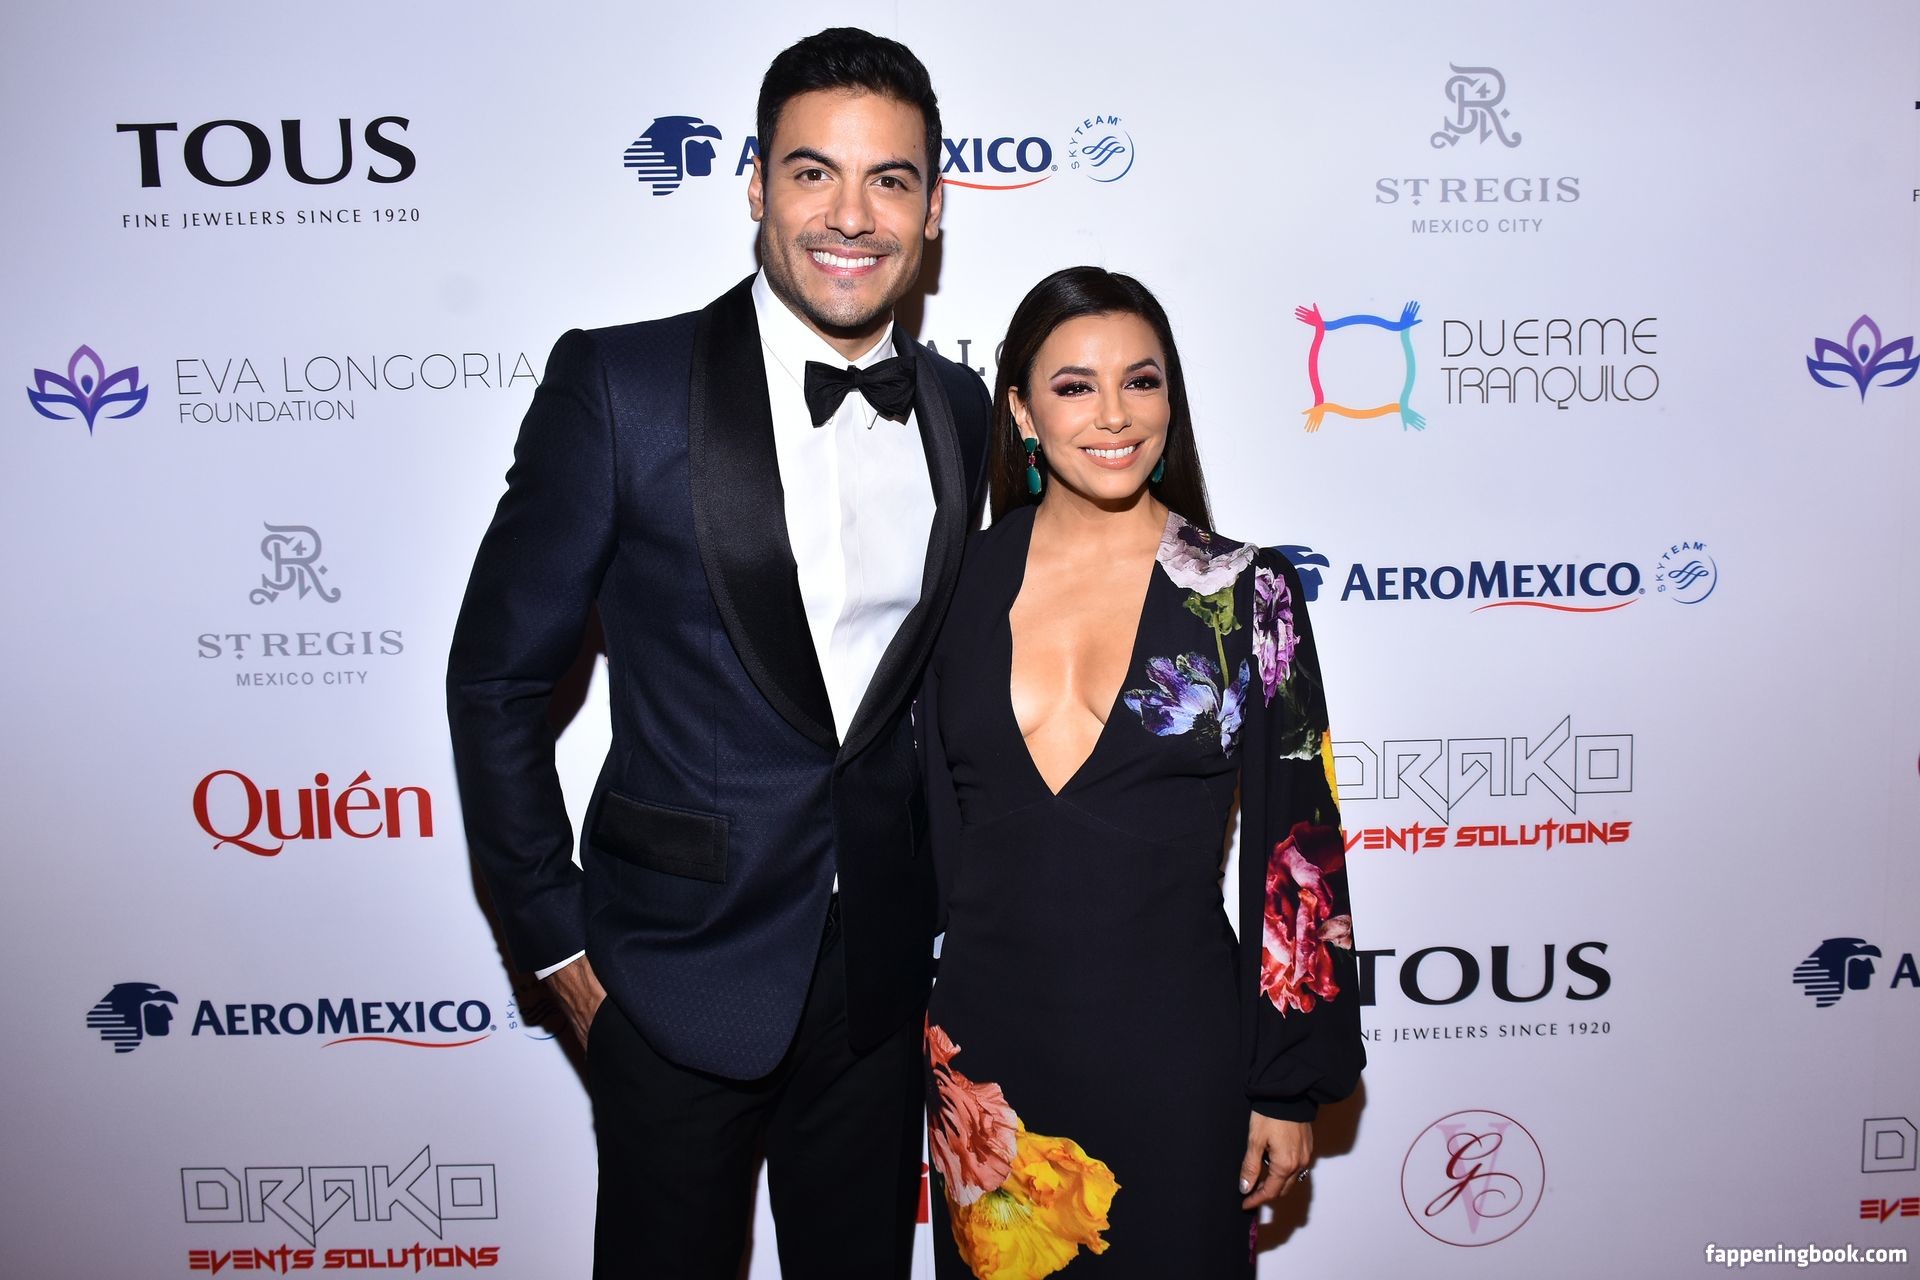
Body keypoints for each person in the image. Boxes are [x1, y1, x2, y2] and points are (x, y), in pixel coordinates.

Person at [446, 28, 990, 1280]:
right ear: (755, 187)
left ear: (934, 208)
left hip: (880, 982)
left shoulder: (958, 407)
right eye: (812, 173)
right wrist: (557, 948)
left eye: (890, 180)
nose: (850, 216)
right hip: (674, 973)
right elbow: (498, 679)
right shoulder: (622, 385)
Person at [918, 268, 1364, 1278]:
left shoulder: (1245, 593)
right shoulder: (951, 586)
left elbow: (1298, 847)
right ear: (1022, 412)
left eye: (1142, 380)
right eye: (1075, 385)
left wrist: (1285, 1082)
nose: (1114, 414)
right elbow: (920, 830)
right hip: (988, 1067)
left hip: (1176, 1055)